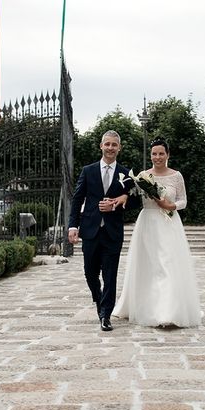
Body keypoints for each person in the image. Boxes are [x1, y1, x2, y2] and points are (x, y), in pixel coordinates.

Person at [113, 137, 201, 327]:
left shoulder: (176, 176)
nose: (157, 157)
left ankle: (168, 311)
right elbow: (133, 197)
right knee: (149, 266)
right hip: (148, 223)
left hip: (169, 222)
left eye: (161, 153)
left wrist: (171, 205)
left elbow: (184, 200)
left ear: (168, 155)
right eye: (154, 153)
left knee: (167, 265)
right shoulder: (143, 176)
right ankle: (146, 305)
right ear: (151, 155)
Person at [68, 130, 136, 332]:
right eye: (107, 144)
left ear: (119, 148)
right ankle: (99, 301)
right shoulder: (88, 171)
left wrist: (118, 202)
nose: (110, 148)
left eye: (114, 145)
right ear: (101, 146)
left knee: (110, 274)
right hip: (89, 230)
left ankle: (106, 315)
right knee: (90, 273)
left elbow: (133, 200)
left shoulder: (126, 173)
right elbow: (78, 199)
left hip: (112, 232)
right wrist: (73, 225)